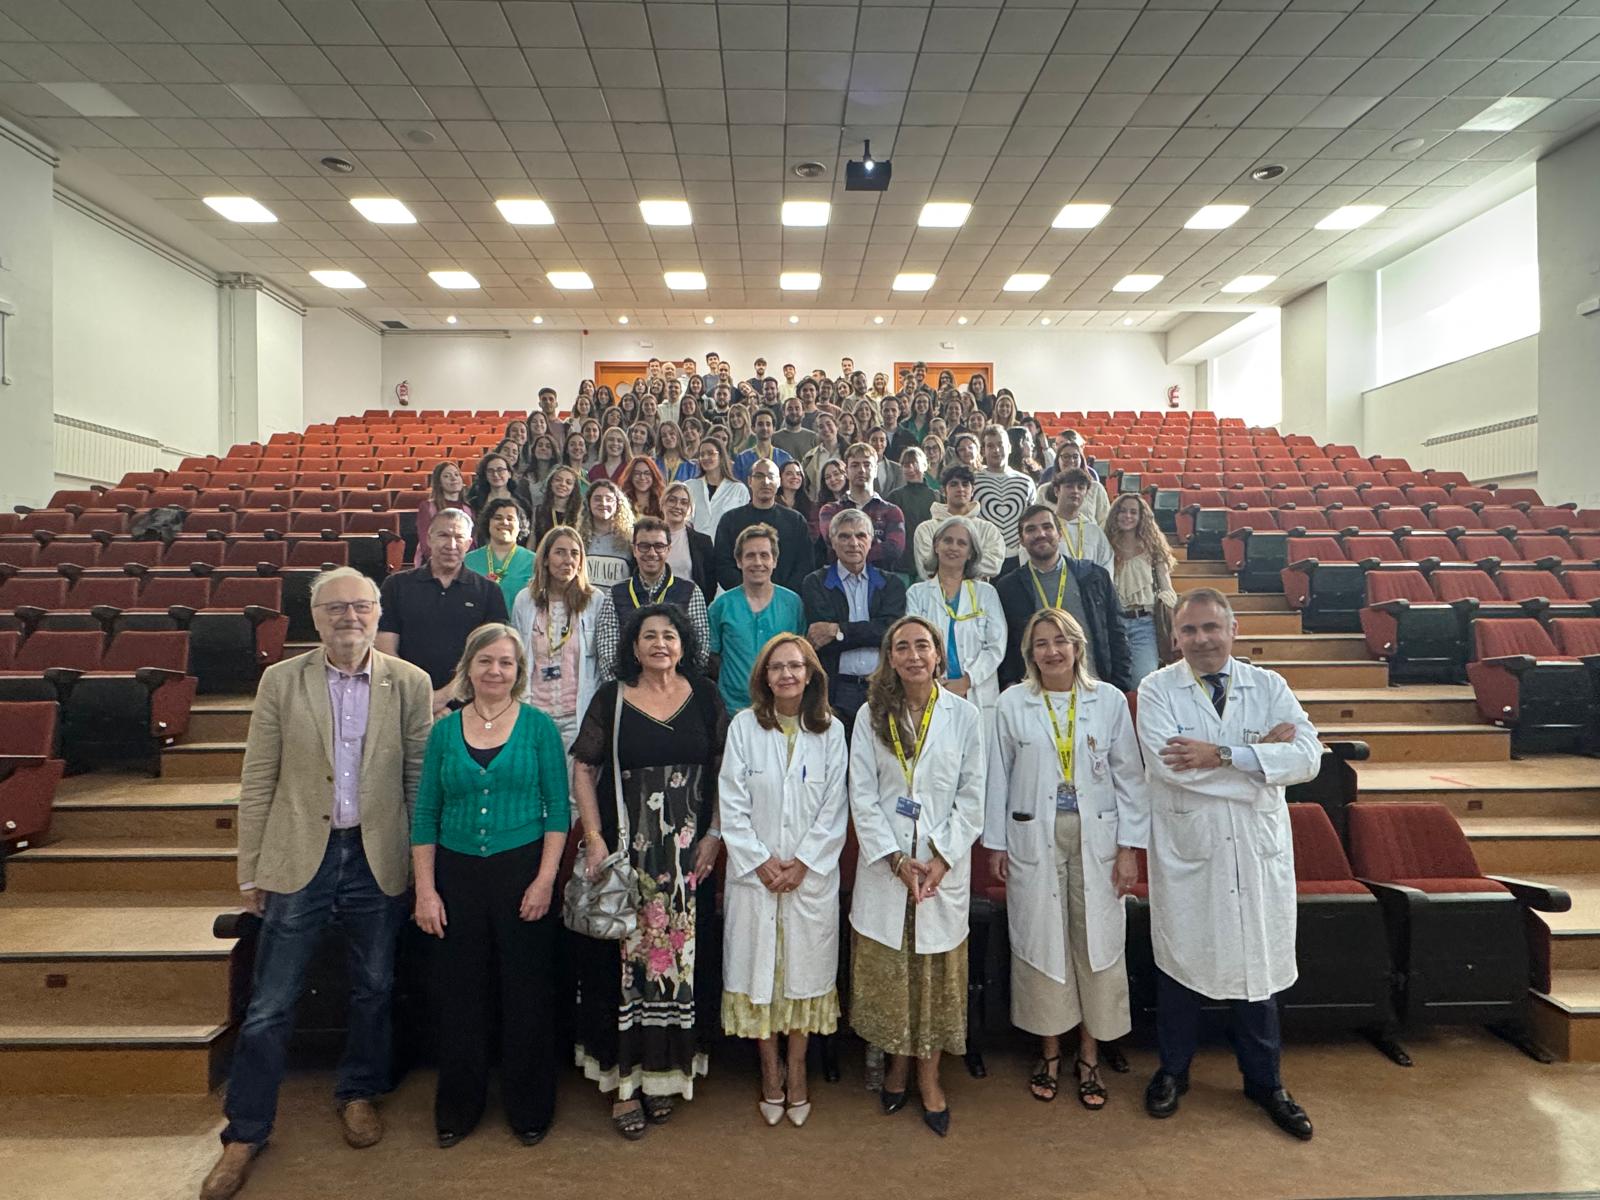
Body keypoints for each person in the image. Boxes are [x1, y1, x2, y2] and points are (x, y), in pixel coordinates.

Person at [202, 568, 433, 1200]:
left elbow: (418, 780)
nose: (349, 617)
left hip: (375, 855)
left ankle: (358, 1092)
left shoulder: (409, 683)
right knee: (270, 1002)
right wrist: (251, 866)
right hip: (299, 855)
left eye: (360, 606)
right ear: (315, 616)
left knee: (375, 987)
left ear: (378, 612)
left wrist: (420, 866)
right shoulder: (281, 680)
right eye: (336, 608)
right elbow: (257, 780)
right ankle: (246, 1131)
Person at [1136, 588, 1321, 1140]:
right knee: (1182, 965)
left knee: (1255, 967)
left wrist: (1223, 755)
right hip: (1192, 850)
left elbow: (1308, 758)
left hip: (1253, 851)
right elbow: (1171, 767)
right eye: (1189, 631)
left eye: (1211, 628)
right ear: (1174, 638)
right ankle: (1173, 1071)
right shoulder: (1156, 689)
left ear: (1233, 630)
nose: (1202, 639)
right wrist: (1263, 764)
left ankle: (1266, 1082)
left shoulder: (1270, 686)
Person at [570, 605, 727, 1139]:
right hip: (626, 859)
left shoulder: (705, 696)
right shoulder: (611, 699)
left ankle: (663, 1075)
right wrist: (593, 840)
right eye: (648, 636)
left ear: (684, 643)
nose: (660, 643)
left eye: (669, 635)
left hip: (687, 864)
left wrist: (713, 834)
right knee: (624, 969)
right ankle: (623, 1085)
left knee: (677, 967)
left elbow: (727, 769)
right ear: (633, 648)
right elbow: (584, 770)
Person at [410, 624, 569, 1149]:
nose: (495, 671)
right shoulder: (443, 731)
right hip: (456, 875)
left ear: (518, 671)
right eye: (485, 662)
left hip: (522, 871)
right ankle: (459, 1105)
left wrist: (545, 880)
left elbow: (557, 813)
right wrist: (426, 891)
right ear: (468, 667)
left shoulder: (540, 728)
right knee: (461, 996)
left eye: (505, 663)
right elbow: (426, 813)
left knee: (527, 993)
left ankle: (529, 1106)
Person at [984, 610, 1144, 1111]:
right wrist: (996, 844)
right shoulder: (1012, 703)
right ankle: (1050, 1052)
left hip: (1097, 835)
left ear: (1078, 646)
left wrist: (1128, 849)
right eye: (1040, 644)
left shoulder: (1109, 700)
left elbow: (1130, 777)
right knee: (1042, 939)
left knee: (1093, 939)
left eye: (1060, 642)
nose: (1051, 651)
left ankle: (1090, 1056)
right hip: (1034, 834)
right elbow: (998, 777)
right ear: (1029, 653)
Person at [848, 615, 985, 1138]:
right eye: (901, 646)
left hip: (939, 869)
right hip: (889, 870)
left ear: (937, 656)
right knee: (893, 971)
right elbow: (861, 793)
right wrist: (895, 859)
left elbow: (973, 796)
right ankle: (897, 1065)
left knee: (931, 977)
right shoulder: (869, 716)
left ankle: (928, 1076)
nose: (912, 655)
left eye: (921, 646)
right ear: (889, 657)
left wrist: (942, 859)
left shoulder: (966, 716)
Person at [720, 633, 848, 1127]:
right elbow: (731, 800)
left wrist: (804, 864)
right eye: (777, 668)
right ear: (764, 676)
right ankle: (768, 1069)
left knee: (801, 978)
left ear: (811, 674)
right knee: (760, 978)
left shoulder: (831, 731)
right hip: (757, 877)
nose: (787, 675)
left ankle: (797, 1069)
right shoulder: (744, 727)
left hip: (808, 879)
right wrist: (759, 860)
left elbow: (836, 806)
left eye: (796, 666)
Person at [377, 509, 510, 713]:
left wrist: (443, 698)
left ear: (469, 544)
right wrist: (421, 698)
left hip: (469, 708)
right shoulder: (396, 586)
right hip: (405, 703)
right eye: (444, 535)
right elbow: (385, 650)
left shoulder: (489, 591)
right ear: (428, 539)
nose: (451, 545)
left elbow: (492, 653)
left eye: (459, 537)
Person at [996, 505, 1129, 692]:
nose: (1040, 534)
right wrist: (1010, 683)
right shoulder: (1008, 587)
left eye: (1047, 527)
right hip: (1035, 692)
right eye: (1031, 529)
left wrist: (1119, 683)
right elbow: (1005, 642)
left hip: (1093, 686)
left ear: (1060, 534)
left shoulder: (1093, 576)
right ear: (1022, 540)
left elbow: (1116, 632)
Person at [802, 508, 907, 729]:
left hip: (881, 686)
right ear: (832, 540)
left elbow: (890, 633)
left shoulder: (892, 584)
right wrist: (870, 631)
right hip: (837, 689)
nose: (853, 542)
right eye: (844, 536)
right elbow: (822, 641)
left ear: (871, 541)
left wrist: (837, 630)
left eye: (861, 535)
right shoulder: (815, 583)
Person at [905, 516, 1006, 737]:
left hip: (976, 692)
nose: (953, 547)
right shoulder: (917, 593)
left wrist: (967, 681)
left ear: (971, 552)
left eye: (962, 543)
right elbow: (914, 645)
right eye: (947, 540)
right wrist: (934, 682)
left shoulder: (986, 593)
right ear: (936, 546)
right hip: (932, 689)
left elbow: (996, 646)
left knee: (977, 764)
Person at [511, 526, 602, 753]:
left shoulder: (595, 600)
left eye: (574, 553)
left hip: (578, 712)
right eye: (560, 552)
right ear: (545, 559)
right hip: (536, 710)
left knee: (575, 785)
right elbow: (516, 657)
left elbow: (601, 661)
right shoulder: (525, 600)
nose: (568, 560)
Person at [594, 516, 710, 679]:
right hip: (629, 690)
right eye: (644, 546)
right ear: (634, 550)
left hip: (676, 691)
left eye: (659, 546)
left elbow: (700, 651)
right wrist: (633, 690)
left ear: (668, 549)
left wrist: (674, 686)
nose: (652, 553)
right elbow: (608, 656)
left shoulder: (690, 591)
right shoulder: (615, 594)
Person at [707, 523, 806, 714]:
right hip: (733, 710)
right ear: (739, 561)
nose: (758, 562)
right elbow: (713, 658)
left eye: (764, 555)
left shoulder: (793, 604)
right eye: (750, 556)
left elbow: (802, 655)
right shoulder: (722, 606)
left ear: (775, 560)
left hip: (783, 708)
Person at [1105, 493, 1177, 687]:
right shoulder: (1105, 545)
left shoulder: (1153, 547)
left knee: (1143, 682)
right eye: (1122, 511)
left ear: (1141, 517)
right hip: (1113, 625)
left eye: (1133, 512)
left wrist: (1167, 608)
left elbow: (1167, 588)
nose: (1127, 516)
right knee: (1114, 684)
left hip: (1144, 624)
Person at [713, 458, 815, 594]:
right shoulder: (730, 520)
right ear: (749, 481)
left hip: (785, 600)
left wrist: (779, 594)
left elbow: (805, 564)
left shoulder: (795, 520)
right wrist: (749, 591)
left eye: (771, 476)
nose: (765, 482)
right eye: (759, 476)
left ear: (779, 482)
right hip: (741, 599)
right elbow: (723, 564)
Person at [912, 466, 1006, 581]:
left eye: (965, 484)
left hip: (977, 595)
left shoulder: (988, 529)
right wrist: (972, 564)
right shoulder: (926, 529)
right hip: (935, 594)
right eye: (954, 484)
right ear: (943, 490)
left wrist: (948, 561)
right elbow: (927, 567)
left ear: (973, 491)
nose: (960, 489)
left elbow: (994, 566)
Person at [973, 426, 1038, 575]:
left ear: (1009, 447)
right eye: (990, 446)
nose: (996, 450)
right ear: (983, 451)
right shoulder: (973, 482)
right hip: (984, 559)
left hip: (1019, 559)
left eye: (1000, 444)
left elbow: (1032, 520)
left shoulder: (1026, 482)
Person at [464, 498, 536, 613]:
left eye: (510, 518)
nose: (505, 522)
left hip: (518, 628)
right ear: (488, 523)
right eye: (498, 518)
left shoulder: (534, 561)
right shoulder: (468, 560)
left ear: (520, 525)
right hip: (477, 629)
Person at [1047, 469, 1116, 574]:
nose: (1075, 491)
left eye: (1081, 487)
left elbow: (1106, 568)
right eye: (1069, 486)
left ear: (1086, 493)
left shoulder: (1094, 532)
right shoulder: (1045, 528)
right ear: (1057, 491)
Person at [661, 480, 717, 605]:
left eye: (684, 503)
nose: (677, 506)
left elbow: (710, 583)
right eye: (672, 500)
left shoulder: (703, 542)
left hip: (689, 608)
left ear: (690, 509)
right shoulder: (649, 537)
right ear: (662, 504)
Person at [886, 448, 939, 574]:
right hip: (901, 565)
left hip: (930, 564)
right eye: (905, 465)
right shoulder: (895, 497)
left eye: (915, 464)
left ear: (925, 465)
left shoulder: (936, 497)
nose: (910, 469)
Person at [684, 440, 749, 538]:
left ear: (721, 456)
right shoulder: (689, 486)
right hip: (695, 548)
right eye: (702, 455)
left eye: (711, 453)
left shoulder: (738, 489)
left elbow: (744, 524)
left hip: (727, 547)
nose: (705, 458)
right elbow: (685, 521)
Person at [415, 461, 473, 568]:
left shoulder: (469, 508)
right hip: (435, 565)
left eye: (457, 475)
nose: (453, 478)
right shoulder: (427, 507)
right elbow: (426, 544)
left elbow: (472, 544)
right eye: (447, 476)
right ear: (439, 482)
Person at [578, 479, 634, 588]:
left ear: (617, 504)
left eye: (609, 499)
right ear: (588, 503)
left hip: (618, 603)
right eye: (597, 499)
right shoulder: (578, 539)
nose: (603, 503)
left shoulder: (629, 539)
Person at [465, 451, 533, 524]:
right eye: (490, 471)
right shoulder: (474, 503)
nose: (495, 474)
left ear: (509, 473)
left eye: (500, 470)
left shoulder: (522, 503)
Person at [733, 409, 797, 482]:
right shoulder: (742, 460)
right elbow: (736, 487)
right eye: (760, 424)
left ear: (774, 429)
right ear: (753, 428)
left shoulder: (785, 458)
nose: (765, 428)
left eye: (768, 424)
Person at [531, 464, 585, 548]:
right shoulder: (539, 510)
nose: (563, 484)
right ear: (551, 482)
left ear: (574, 488)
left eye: (569, 482)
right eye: (558, 480)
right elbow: (532, 540)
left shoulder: (579, 513)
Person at [772, 396, 817, 461]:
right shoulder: (774, 438)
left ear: (803, 413)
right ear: (783, 413)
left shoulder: (813, 438)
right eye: (790, 409)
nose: (794, 412)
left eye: (797, 408)